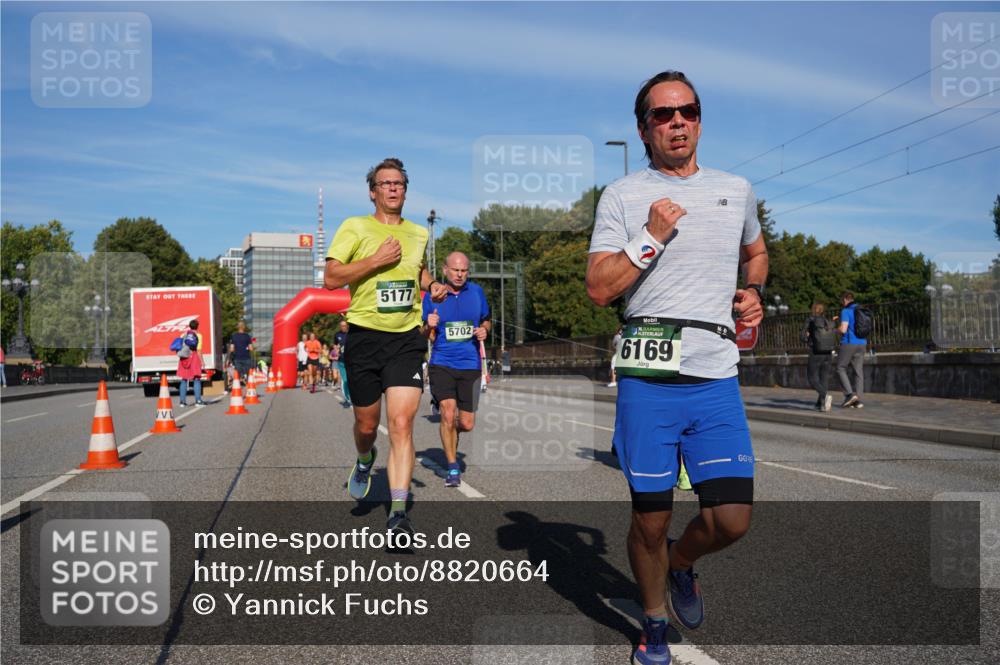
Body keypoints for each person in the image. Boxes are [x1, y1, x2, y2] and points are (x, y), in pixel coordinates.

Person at [585, 71, 768, 665]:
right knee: (649, 519)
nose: (677, 122)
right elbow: (598, 287)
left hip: (716, 373)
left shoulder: (735, 189)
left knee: (732, 519)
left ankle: (681, 564)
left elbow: (756, 252)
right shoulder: (622, 197)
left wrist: (753, 289)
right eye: (662, 115)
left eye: (686, 110)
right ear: (643, 128)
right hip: (648, 377)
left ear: (699, 118)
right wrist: (650, 237)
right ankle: (654, 624)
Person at [324, 157, 447, 536]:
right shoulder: (355, 227)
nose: (393, 188)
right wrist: (374, 260)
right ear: (373, 191)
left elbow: (415, 269)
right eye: (386, 183)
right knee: (366, 424)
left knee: (401, 422)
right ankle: (364, 459)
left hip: (406, 338)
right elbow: (331, 278)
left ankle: (397, 513)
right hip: (364, 337)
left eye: (399, 183)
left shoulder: (418, 233)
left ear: (405, 190)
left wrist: (431, 285)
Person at [421, 252, 491, 488]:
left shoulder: (477, 292)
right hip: (442, 362)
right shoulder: (433, 296)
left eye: (464, 270)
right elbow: (423, 334)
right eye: (455, 270)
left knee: (467, 423)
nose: (460, 274)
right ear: (445, 270)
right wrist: (427, 326)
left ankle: (449, 427)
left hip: (470, 364)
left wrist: (484, 330)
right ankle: (452, 468)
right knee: (449, 413)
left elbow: (486, 319)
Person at [801, 302, 836, 411]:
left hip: (815, 352)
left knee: (812, 378)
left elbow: (802, 336)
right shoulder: (827, 321)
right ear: (823, 310)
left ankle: (824, 396)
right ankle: (820, 404)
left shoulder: (810, 320)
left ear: (813, 309)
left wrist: (807, 338)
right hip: (828, 353)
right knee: (824, 378)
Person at [837, 291, 867, 409]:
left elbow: (843, 329)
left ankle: (849, 395)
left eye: (842, 301)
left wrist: (836, 329)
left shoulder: (846, 311)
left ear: (845, 299)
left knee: (840, 368)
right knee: (858, 371)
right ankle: (858, 400)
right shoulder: (861, 309)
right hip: (862, 343)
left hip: (849, 343)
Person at [177, 319, 206, 407]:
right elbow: (199, 350)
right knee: (196, 379)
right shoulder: (198, 335)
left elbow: (180, 347)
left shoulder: (183, 335)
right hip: (194, 357)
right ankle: (198, 401)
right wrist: (202, 361)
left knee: (184, 379)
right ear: (197, 326)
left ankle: (182, 402)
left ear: (190, 326)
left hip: (184, 358)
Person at [333, 319, 350, 405]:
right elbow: (335, 345)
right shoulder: (337, 335)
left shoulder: (351, 334)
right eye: (341, 326)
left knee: (351, 380)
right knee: (345, 380)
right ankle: (347, 399)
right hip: (341, 361)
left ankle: (352, 397)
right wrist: (336, 351)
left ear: (347, 326)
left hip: (351, 361)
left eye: (344, 325)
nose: (343, 327)